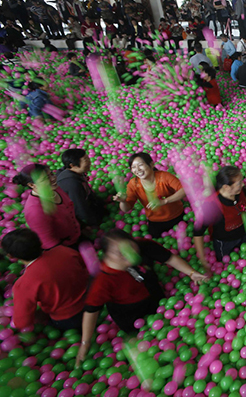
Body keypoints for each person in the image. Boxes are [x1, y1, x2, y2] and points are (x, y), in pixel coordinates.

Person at [77, 229, 207, 364]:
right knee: (148, 341)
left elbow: (169, 258)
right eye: (118, 252)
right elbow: (91, 310)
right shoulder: (102, 279)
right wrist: (85, 342)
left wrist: (191, 273)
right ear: (107, 256)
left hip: (155, 297)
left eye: (128, 247)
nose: (126, 254)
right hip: (130, 313)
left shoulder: (144, 246)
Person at [1, 228, 89, 330]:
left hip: (70, 318)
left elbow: (22, 322)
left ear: (10, 256)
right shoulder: (64, 250)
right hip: (91, 299)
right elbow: (84, 268)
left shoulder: (24, 284)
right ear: (40, 241)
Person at [193, 166, 246, 272]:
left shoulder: (239, 191)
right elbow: (197, 232)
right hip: (225, 241)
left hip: (243, 232)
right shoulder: (212, 205)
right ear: (226, 187)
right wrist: (203, 261)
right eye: (239, 183)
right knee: (226, 263)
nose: (242, 185)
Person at [112, 153, 186, 238]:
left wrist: (164, 201)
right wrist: (123, 201)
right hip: (155, 221)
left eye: (140, 165)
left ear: (151, 164)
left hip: (177, 216)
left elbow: (184, 190)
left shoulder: (164, 177)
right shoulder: (134, 184)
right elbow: (126, 208)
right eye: (133, 167)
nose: (138, 169)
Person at [12, 164, 82, 250]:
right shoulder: (35, 210)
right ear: (32, 185)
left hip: (76, 236)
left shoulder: (54, 188)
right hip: (64, 248)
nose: (53, 179)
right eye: (46, 179)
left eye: (51, 174)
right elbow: (49, 243)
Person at [56, 149, 106, 228]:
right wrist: (93, 224)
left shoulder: (75, 171)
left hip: (86, 200)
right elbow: (80, 208)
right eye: (86, 160)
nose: (90, 162)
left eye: (88, 158)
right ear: (73, 165)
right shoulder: (72, 184)